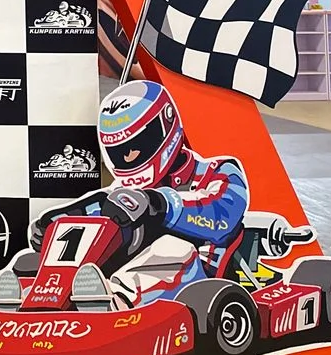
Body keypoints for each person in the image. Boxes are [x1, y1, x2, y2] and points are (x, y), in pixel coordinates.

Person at [23, 80, 248, 308]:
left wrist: (159, 204)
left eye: (137, 146)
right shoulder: (124, 192)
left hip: (199, 282)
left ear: (166, 122)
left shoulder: (219, 172)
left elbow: (222, 216)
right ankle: (27, 301)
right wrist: (55, 225)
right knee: (30, 262)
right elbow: (96, 210)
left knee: (171, 249)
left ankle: (113, 306)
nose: (129, 157)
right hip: (127, 275)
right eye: (120, 152)